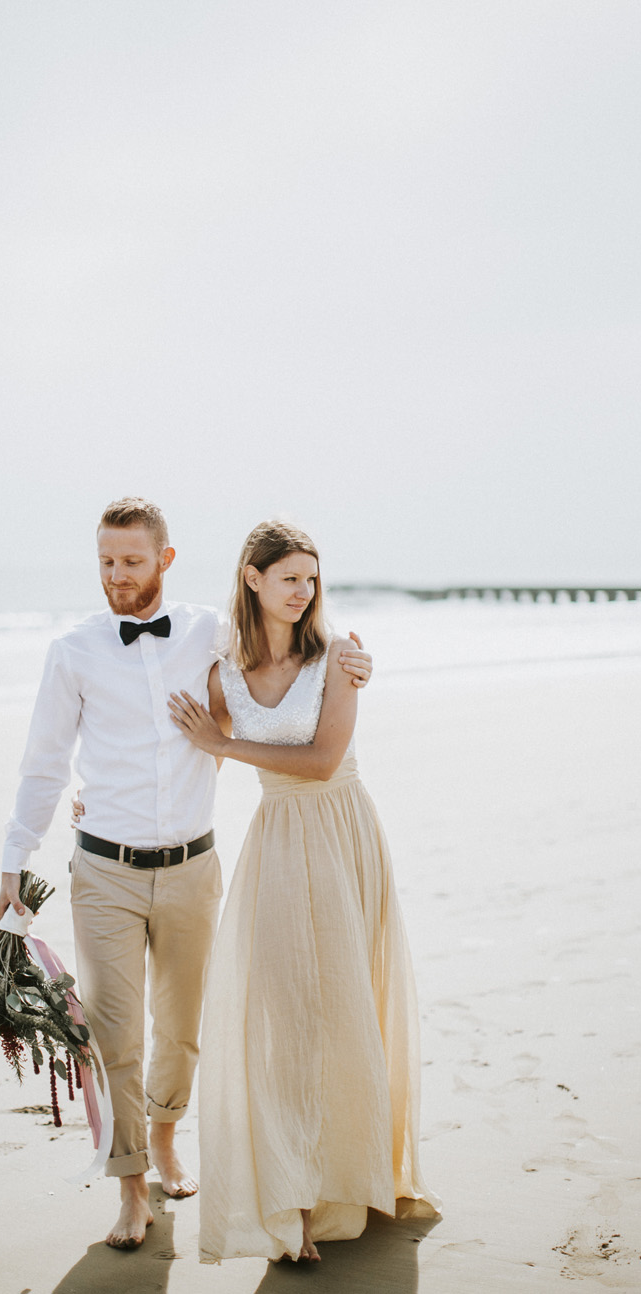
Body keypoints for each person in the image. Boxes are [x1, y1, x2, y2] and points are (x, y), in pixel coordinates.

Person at [0, 498, 373, 1250]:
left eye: (131, 561)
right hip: (103, 867)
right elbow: (44, 762)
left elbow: (285, 642)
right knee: (113, 1031)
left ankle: (166, 1135)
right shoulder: (71, 651)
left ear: (164, 561)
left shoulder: (209, 632)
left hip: (194, 866)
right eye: (105, 561)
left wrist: (352, 657)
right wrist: (14, 857)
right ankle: (131, 1188)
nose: (116, 576)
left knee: (180, 1029)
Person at [169, 519, 440, 1263]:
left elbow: (321, 761)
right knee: (284, 1018)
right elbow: (191, 762)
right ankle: (290, 1200)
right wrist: (111, 802)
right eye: (289, 576)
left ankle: (349, 1184)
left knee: (347, 1007)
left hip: (342, 831)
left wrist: (221, 743)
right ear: (252, 579)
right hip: (277, 846)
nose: (303, 591)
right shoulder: (223, 673)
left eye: (311, 578)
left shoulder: (338, 660)